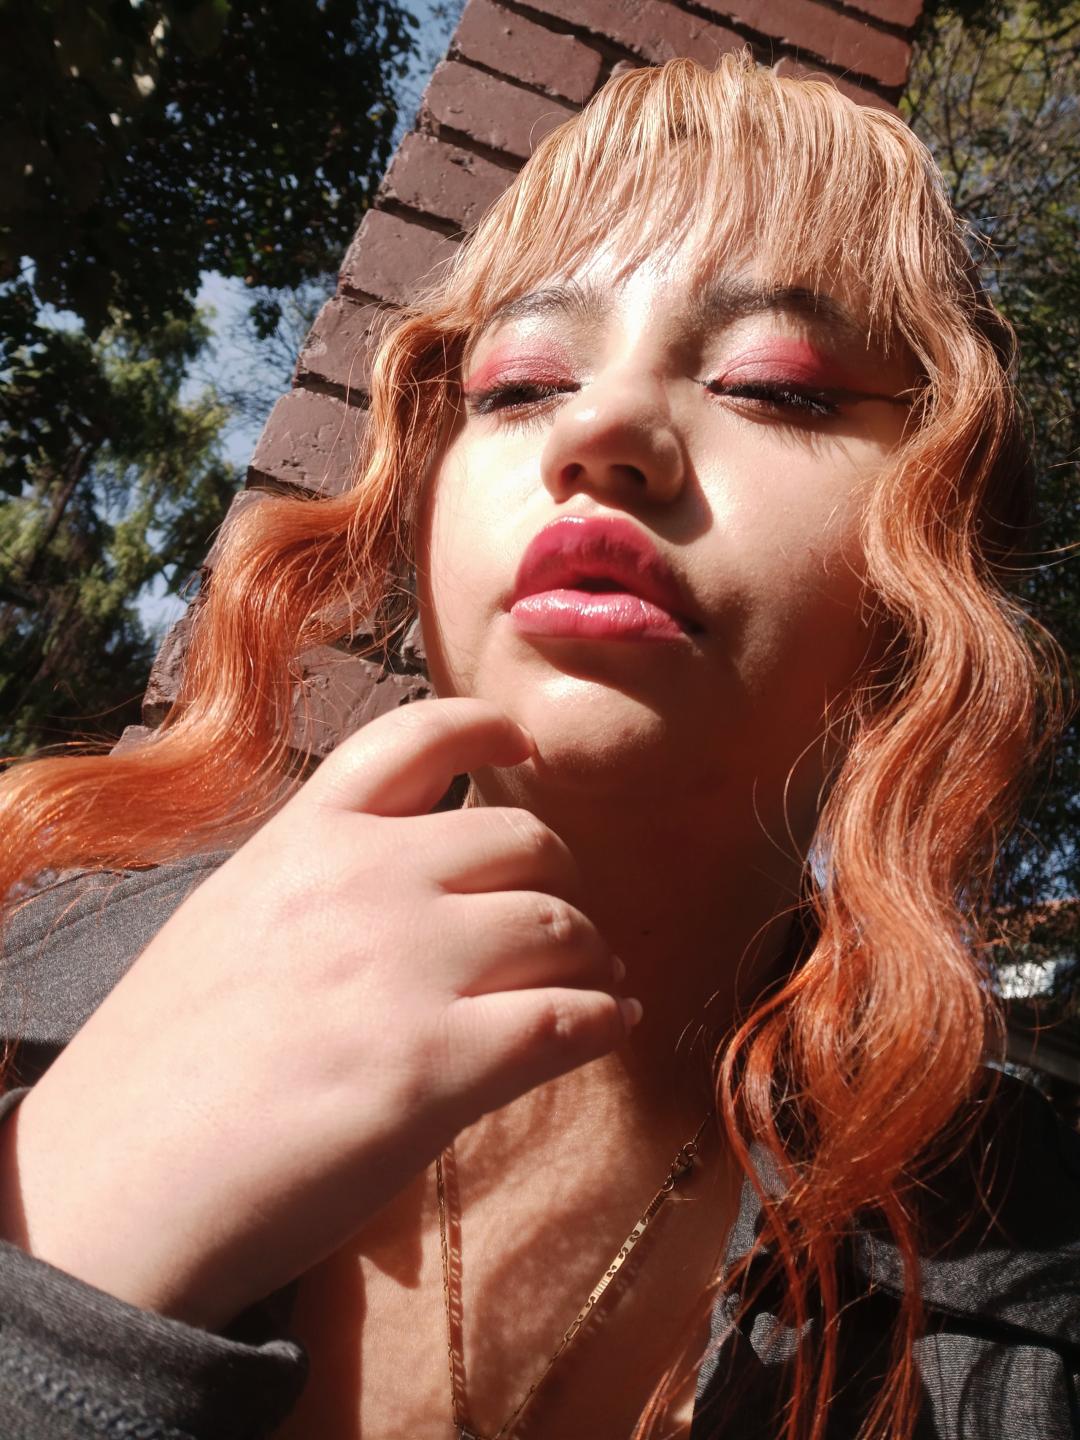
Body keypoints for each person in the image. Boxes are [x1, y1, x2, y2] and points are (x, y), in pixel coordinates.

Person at [0, 51, 1075, 1440]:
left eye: (774, 385)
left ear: (940, 550)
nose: (602, 426)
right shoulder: (29, 947)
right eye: (517, 385)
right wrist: (59, 1252)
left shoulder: (1027, 1275)